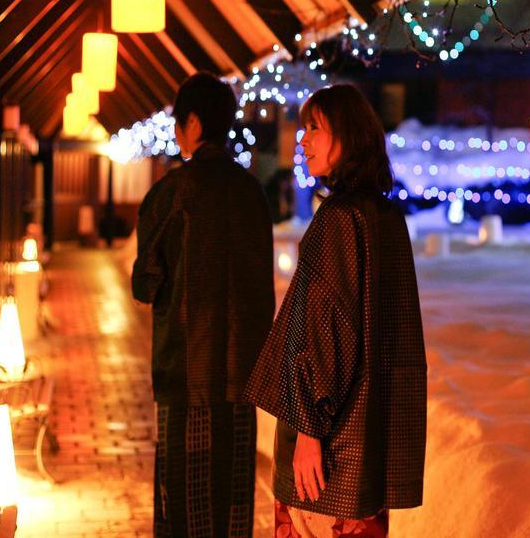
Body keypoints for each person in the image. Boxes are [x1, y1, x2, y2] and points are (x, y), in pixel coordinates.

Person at [245, 84, 427, 538]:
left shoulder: (339, 218)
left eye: (314, 129)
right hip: (367, 452)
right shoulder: (385, 217)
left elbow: (327, 333)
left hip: (329, 458)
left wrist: (308, 433)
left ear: (348, 137)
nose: (302, 140)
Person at [132, 72, 274, 538]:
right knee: (233, 507)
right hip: (240, 379)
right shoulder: (252, 193)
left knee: (183, 508)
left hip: (184, 373)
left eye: (177, 123)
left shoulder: (171, 194)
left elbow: (145, 284)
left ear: (192, 122)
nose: (176, 134)